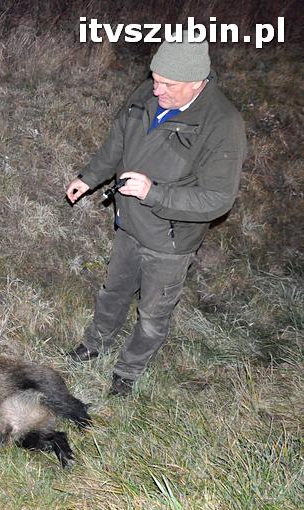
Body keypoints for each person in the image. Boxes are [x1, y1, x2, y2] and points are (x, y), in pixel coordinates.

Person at [64, 40, 247, 396]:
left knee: (152, 314)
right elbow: (117, 142)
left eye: (167, 85)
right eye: (155, 78)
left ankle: (128, 372)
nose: (156, 88)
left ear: (197, 83)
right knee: (113, 290)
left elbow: (217, 199)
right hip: (129, 224)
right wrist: (89, 177)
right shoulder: (149, 91)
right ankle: (94, 344)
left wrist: (154, 193)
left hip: (170, 241)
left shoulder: (223, 124)